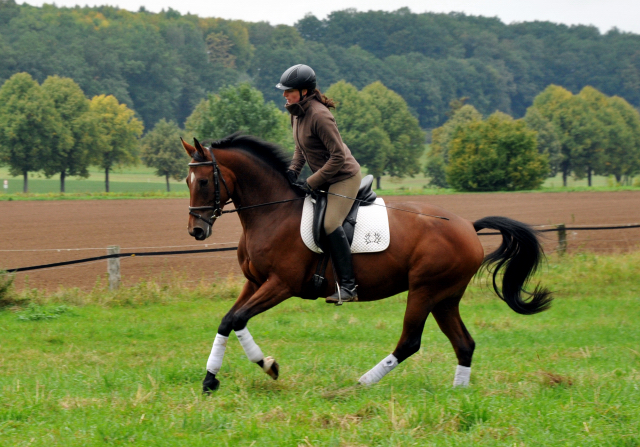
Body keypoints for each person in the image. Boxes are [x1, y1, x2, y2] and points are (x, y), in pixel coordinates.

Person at [276, 64, 363, 303]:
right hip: (326, 177)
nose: (284, 95)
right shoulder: (296, 113)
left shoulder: (319, 115)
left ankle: (349, 287)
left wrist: (312, 181)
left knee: (330, 224)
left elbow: (338, 157)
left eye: (289, 90)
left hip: (343, 177)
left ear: (304, 91)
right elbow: (300, 148)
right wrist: (293, 171)